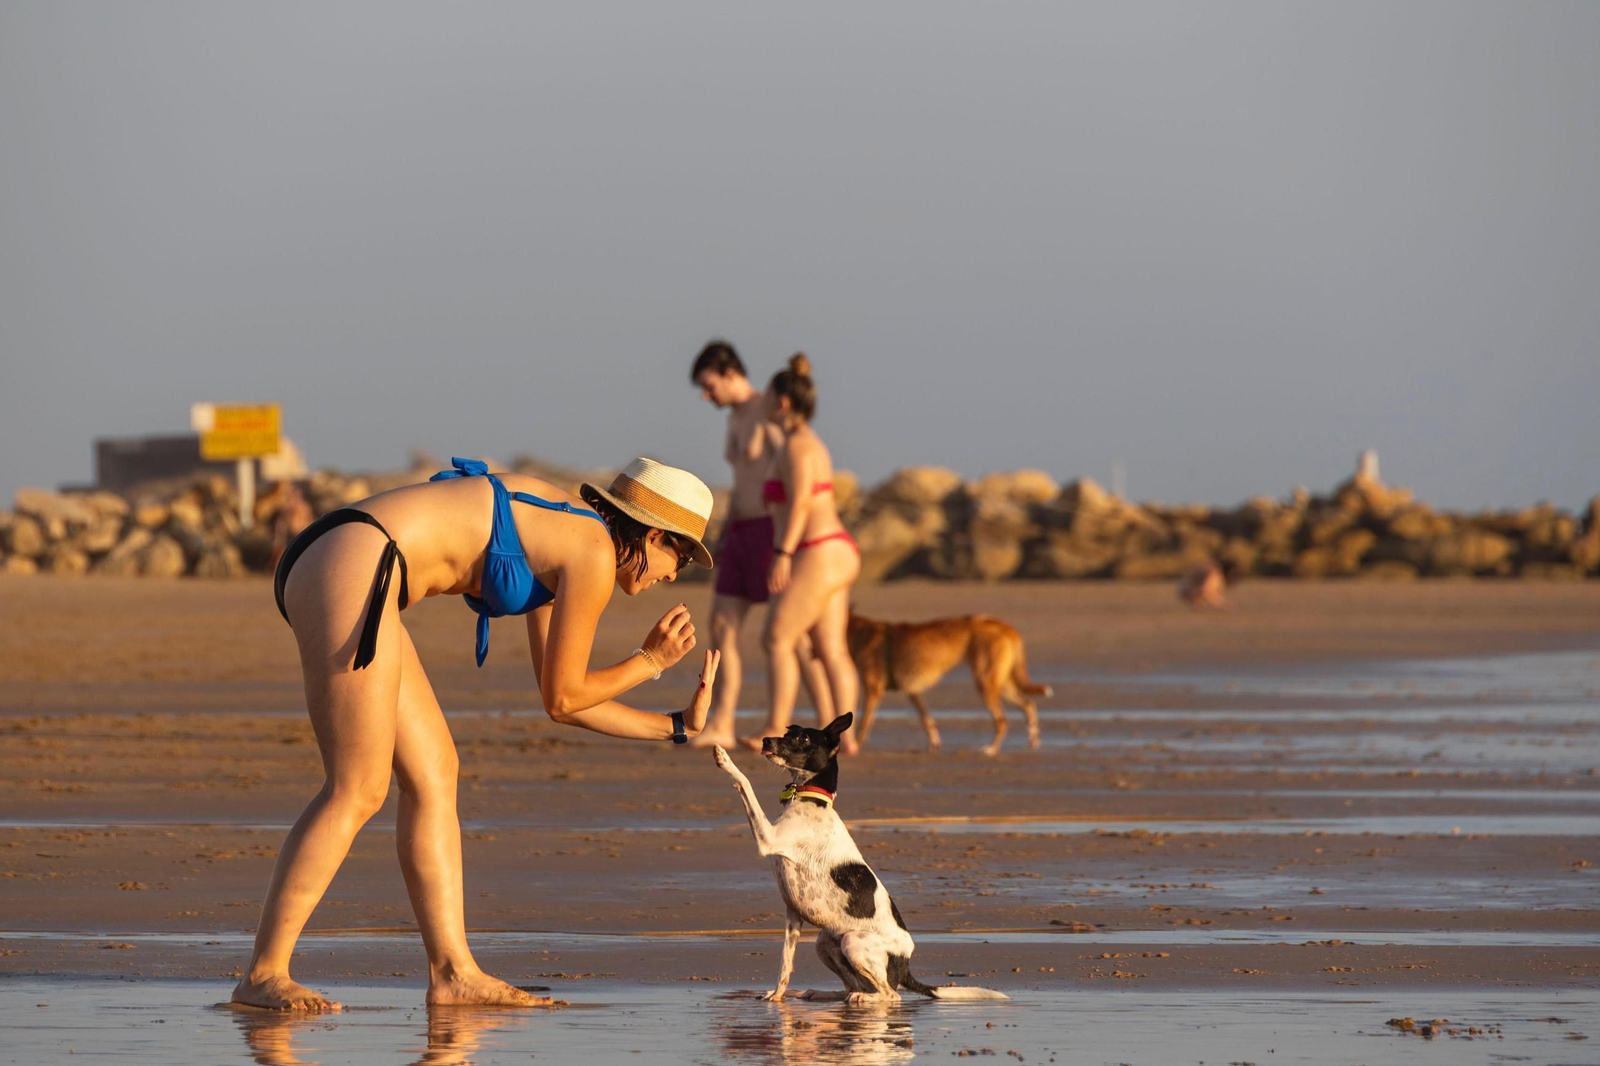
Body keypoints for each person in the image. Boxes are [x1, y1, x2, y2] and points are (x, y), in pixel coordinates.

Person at [232, 456, 722, 1013]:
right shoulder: (591, 548)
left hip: (352, 558)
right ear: (652, 532)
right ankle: (264, 973)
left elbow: (557, 700)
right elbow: (567, 694)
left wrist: (676, 727)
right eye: (678, 554)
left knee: (435, 772)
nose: (675, 573)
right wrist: (649, 661)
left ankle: (453, 973)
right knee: (358, 786)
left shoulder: (573, 534)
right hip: (355, 558)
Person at [690, 341, 834, 748]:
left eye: (709, 385)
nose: (706, 395)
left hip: (770, 534)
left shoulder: (769, 412)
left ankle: (827, 722)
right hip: (739, 532)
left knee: (794, 637)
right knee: (721, 627)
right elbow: (744, 483)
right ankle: (722, 722)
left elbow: (794, 479)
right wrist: (721, 535)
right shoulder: (734, 419)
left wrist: (789, 546)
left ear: (731, 373)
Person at [746, 353, 861, 753]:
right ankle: (843, 738)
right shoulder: (802, 443)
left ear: (782, 403)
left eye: (767, 397)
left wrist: (782, 552)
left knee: (777, 637)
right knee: (826, 647)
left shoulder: (798, 447)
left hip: (819, 550)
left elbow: (799, 506)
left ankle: (775, 722)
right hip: (833, 550)